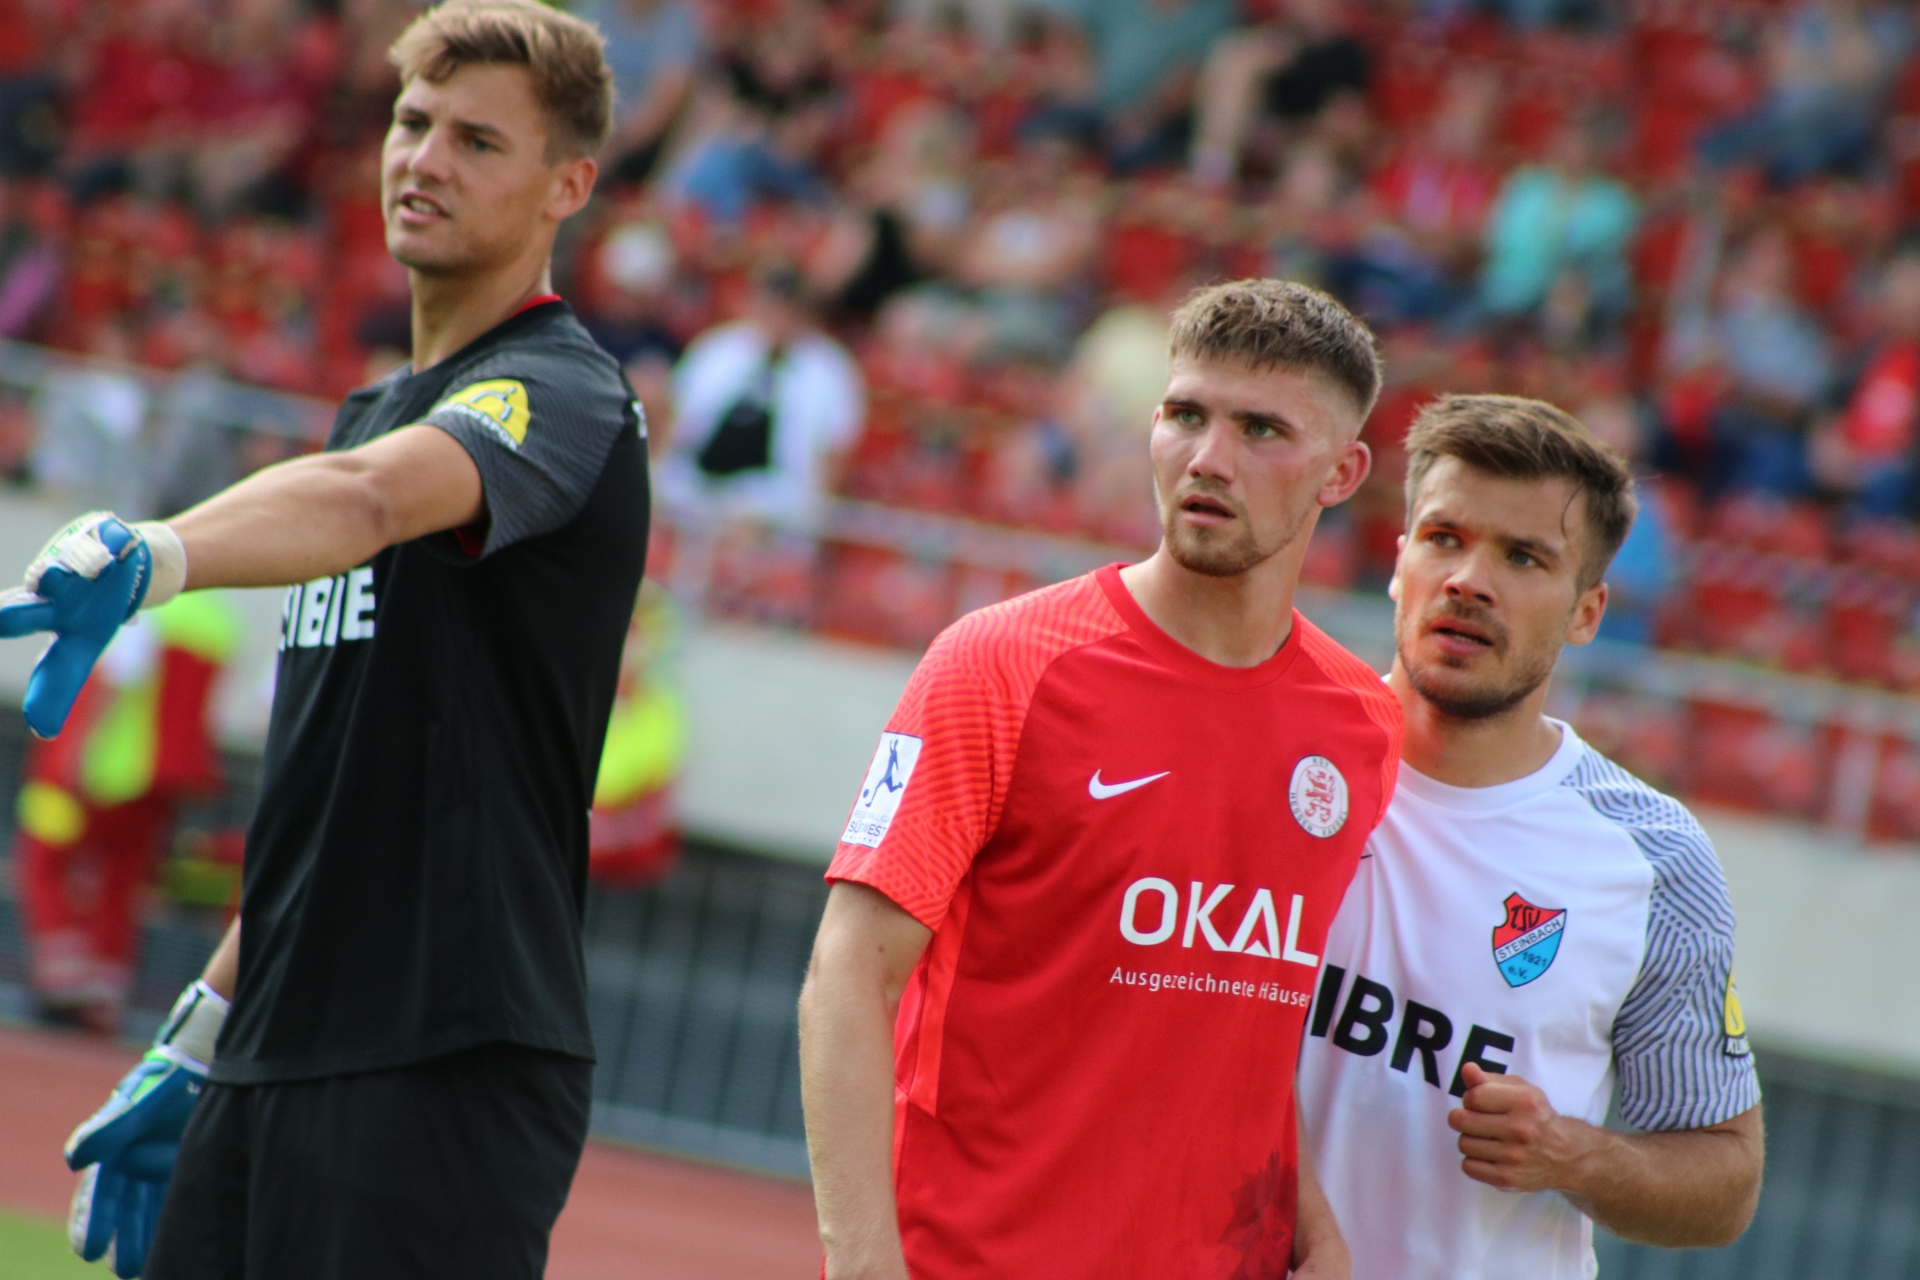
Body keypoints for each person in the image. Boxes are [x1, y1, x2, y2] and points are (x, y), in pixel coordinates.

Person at [19, 2, 649, 1275]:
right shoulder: (366, 413)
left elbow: (368, 501)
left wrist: (157, 554)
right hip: (268, 1052)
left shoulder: (565, 391)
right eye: (414, 123)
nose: (426, 159)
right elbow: (330, 799)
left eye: (479, 140)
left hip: (439, 1060)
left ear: (567, 186)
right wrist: (204, 1024)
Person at [799, 279, 1403, 1280]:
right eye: (1185, 415)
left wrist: (1315, 1224)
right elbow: (848, 977)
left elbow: (1245, 1026)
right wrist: (863, 1264)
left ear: (1342, 473)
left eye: (1261, 430)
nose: (1208, 458)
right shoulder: (1000, 663)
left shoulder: (1365, 728)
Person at [1296, 394, 1765, 1280]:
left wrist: (1572, 1155)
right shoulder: (1277, 757)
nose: (1469, 580)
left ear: (1588, 612)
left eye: (1523, 557)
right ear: (1397, 563)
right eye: (1443, 538)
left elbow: (1726, 1183)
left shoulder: (1654, 859)